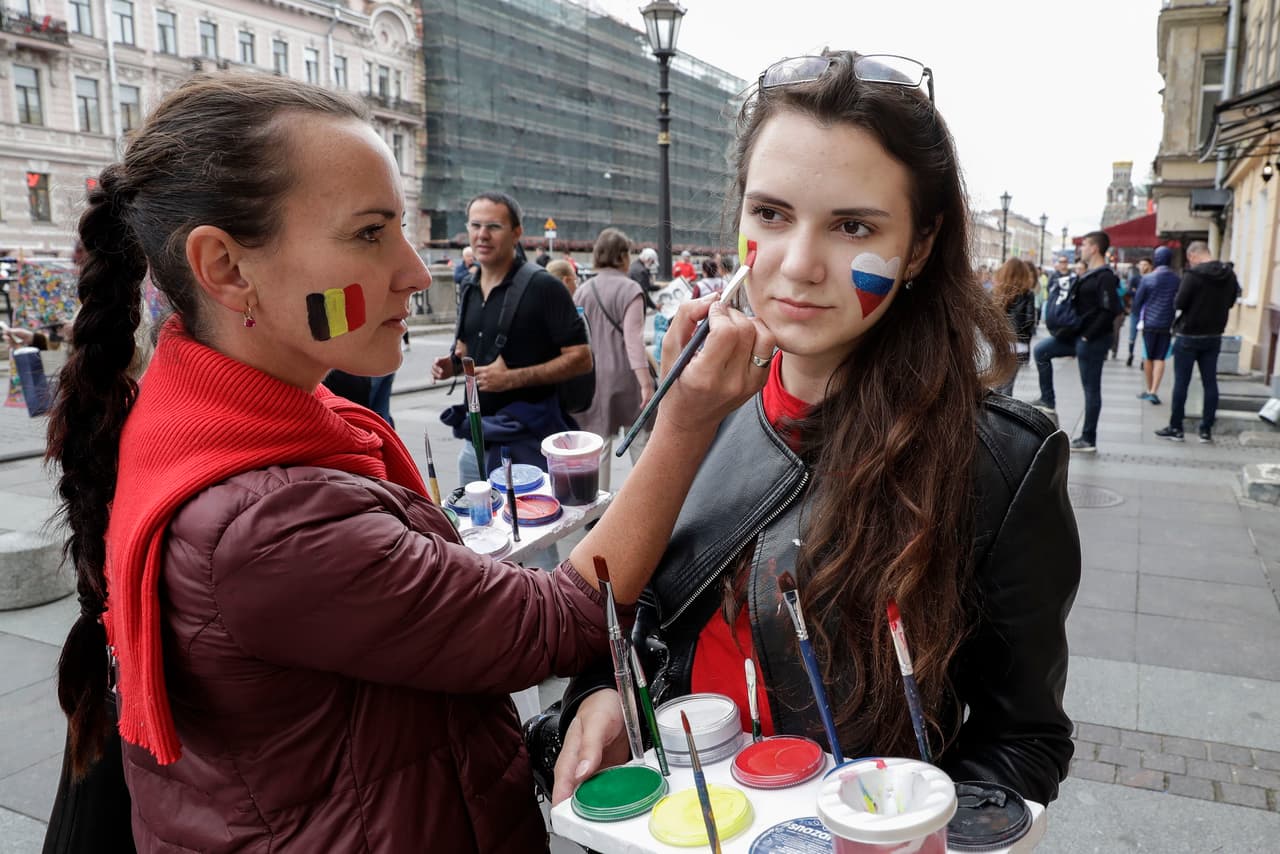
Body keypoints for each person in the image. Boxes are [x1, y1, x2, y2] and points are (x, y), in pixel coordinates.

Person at [42, 73, 771, 853]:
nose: (418, 272)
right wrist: (686, 425)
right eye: (368, 233)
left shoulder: (200, 419)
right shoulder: (265, 523)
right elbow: (562, 616)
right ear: (225, 267)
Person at [547, 50, 1079, 809]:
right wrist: (604, 694)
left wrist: (916, 829)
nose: (797, 265)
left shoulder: (999, 462)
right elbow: (629, 607)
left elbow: (1024, 741)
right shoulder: (700, 404)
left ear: (920, 245)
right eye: (770, 214)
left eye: (851, 225)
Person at [431, 192, 591, 482]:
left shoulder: (544, 287)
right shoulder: (469, 287)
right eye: (475, 225)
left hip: (526, 441)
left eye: (493, 227)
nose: (482, 235)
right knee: (474, 527)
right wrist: (452, 366)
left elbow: (581, 359)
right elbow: (469, 351)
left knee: (526, 527)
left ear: (517, 233)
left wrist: (512, 378)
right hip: (476, 439)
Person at [573, 227, 655, 486]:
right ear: (622, 256)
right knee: (639, 439)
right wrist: (646, 383)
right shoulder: (631, 289)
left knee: (599, 443)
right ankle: (645, 498)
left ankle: (598, 510)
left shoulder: (583, 291)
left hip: (592, 377)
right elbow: (634, 341)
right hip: (626, 375)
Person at [1031, 231, 1121, 452]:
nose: (1081, 249)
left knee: (1091, 389)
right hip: (1077, 336)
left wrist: (1088, 335)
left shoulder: (1105, 276)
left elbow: (1111, 310)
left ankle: (1088, 438)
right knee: (1042, 350)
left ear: (1095, 248)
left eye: (1084, 245)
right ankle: (1047, 399)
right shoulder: (1088, 274)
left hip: (1093, 339)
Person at [1156, 241, 1240, 443]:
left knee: (1181, 382)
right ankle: (1206, 430)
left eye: (1189, 259)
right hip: (1214, 335)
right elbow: (1231, 300)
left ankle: (1176, 427)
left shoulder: (1193, 275)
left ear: (1193, 255)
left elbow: (1179, 303)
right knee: (1210, 382)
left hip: (1189, 335)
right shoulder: (1229, 274)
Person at [1132, 246, 1179, 404]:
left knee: (1147, 357)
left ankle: (1149, 388)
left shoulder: (1148, 279)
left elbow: (1138, 302)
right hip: (1166, 324)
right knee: (1160, 357)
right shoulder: (1176, 279)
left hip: (1149, 324)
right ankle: (1154, 390)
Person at [991, 258, 1038, 395]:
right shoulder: (1027, 294)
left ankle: (994, 411)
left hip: (1000, 343)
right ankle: (1003, 414)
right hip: (1018, 343)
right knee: (1008, 385)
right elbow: (1029, 321)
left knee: (998, 382)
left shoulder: (996, 292)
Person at [1126, 256, 1152, 366]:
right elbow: (1129, 291)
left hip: (1149, 311)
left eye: (1145, 264)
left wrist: (1137, 292)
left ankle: (1143, 358)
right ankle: (1130, 354)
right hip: (1136, 310)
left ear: (1150, 266)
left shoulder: (1152, 278)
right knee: (1132, 335)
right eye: (1141, 264)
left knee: (1146, 337)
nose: (1142, 267)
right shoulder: (1135, 279)